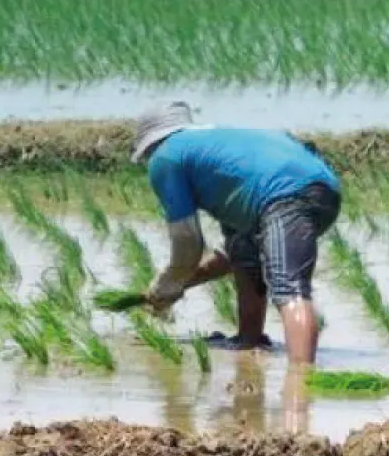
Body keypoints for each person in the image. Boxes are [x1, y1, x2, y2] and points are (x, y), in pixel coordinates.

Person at [128, 101, 341, 365]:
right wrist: (176, 286)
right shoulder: (218, 152)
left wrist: (169, 281)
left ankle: (301, 381)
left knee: (289, 287)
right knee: (243, 251)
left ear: (150, 144)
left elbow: (187, 243)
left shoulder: (166, 156)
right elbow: (227, 259)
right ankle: (249, 338)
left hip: (284, 195)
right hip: (325, 189)